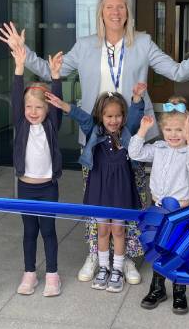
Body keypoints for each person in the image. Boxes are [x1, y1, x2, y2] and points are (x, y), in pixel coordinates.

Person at [0, 0, 189, 284]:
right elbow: (50, 69)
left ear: (127, 12)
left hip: (134, 136)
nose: (116, 12)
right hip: (95, 138)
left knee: (131, 200)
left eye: (121, 7)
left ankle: (126, 256)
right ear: (101, 13)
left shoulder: (143, 43)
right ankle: (96, 254)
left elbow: (178, 72)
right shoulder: (85, 45)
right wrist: (22, 53)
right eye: (109, 7)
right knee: (97, 200)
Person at [45, 84, 146, 293]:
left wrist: (137, 98)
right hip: (100, 188)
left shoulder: (127, 132)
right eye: (108, 116)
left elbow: (136, 116)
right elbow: (80, 116)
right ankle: (103, 267)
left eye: (118, 116)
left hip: (121, 189)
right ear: (100, 116)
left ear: (123, 116)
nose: (113, 120)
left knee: (118, 230)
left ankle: (117, 269)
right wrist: (63, 105)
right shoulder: (94, 130)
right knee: (102, 230)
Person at [128, 96, 189, 315]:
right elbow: (134, 153)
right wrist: (143, 131)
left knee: (179, 250)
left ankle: (179, 291)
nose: (174, 135)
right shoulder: (159, 148)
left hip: (181, 211)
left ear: (188, 130)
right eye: (169, 129)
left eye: (179, 130)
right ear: (162, 129)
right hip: (158, 208)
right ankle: (157, 288)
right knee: (158, 248)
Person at [9, 39, 65, 297]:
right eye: (29, 107)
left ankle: (52, 274)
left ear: (47, 109)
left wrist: (55, 77)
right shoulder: (20, 124)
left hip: (47, 188)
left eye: (39, 107)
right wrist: (19, 68)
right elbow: (16, 96)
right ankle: (29, 273)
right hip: (26, 187)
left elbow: (56, 102)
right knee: (29, 231)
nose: (33, 111)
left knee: (48, 231)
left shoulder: (51, 125)